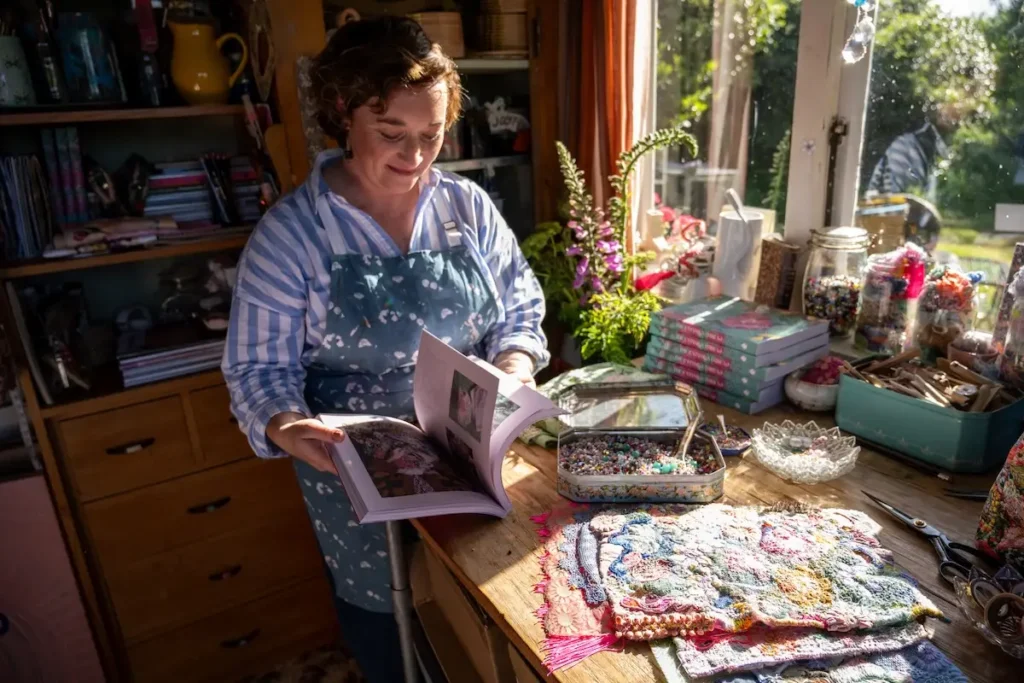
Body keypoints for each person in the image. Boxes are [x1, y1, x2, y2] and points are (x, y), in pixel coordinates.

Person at [221, 16, 549, 681]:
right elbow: (258, 372)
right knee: (398, 641)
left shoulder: (468, 209)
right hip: (357, 488)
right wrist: (288, 426)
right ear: (343, 114)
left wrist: (509, 370)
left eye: (432, 136)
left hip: (472, 466)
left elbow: (519, 311)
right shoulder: (293, 236)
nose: (416, 156)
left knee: (485, 635)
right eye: (392, 134)